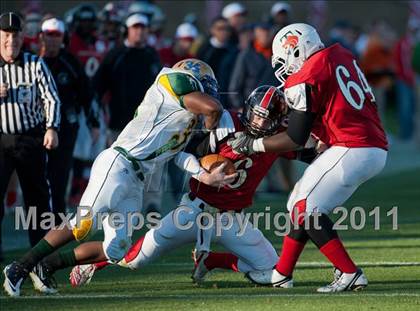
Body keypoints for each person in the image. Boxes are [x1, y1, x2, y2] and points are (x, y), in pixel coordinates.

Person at [2, 59, 234, 297]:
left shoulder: (182, 116)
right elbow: (213, 108)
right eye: (206, 84)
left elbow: (175, 155)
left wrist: (202, 175)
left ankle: (47, 265)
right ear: (194, 76)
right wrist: (210, 127)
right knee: (83, 223)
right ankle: (20, 267)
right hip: (119, 162)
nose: (208, 90)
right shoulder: (172, 80)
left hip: (136, 180)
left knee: (116, 249)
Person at [68, 86, 321, 287]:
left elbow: (304, 153)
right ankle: (90, 262)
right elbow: (181, 154)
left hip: (230, 220)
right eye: (256, 115)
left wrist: (324, 148)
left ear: (279, 121)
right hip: (193, 212)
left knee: (275, 273)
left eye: (268, 120)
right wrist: (204, 174)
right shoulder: (226, 124)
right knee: (133, 259)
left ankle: (211, 260)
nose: (260, 123)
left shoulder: (277, 138)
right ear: (248, 109)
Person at [228, 23, 388, 293]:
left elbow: (295, 138)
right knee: (298, 203)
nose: (284, 67)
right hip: (371, 145)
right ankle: (281, 273)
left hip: (353, 146)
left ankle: (349, 273)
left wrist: (253, 145)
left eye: (284, 59)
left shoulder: (306, 75)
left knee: (305, 207)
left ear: (297, 50)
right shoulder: (340, 54)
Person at [0, 12, 61, 253]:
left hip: (30, 139)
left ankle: (39, 254)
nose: (10, 41)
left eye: (15, 36)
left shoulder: (35, 63)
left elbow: (52, 98)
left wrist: (52, 128)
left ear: (22, 37)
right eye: (6, 35)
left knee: (37, 201)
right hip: (1, 139)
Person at [38, 17, 99, 218]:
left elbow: (87, 94)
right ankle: (36, 216)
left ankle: (57, 217)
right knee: (37, 174)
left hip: (66, 127)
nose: (53, 40)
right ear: (41, 37)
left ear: (63, 38)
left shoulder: (70, 63)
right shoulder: (32, 62)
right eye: (49, 35)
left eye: (57, 35)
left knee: (60, 175)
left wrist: (93, 123)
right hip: (36, 127)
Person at [93, 12, 161, 145]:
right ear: (127, 30)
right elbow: (98, 87)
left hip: (147, 124)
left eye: (143, 28)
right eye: (135, 27)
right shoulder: (115, 55)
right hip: (118, 124)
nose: (140, 31)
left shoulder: (152, 55)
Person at [197, 16, 238, 108]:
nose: (224, 32)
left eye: (227, 29)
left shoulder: (235, 51)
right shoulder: (204, 50)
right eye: (220, 28)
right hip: (206, 98)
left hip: (227, 99)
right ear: (212, 30)